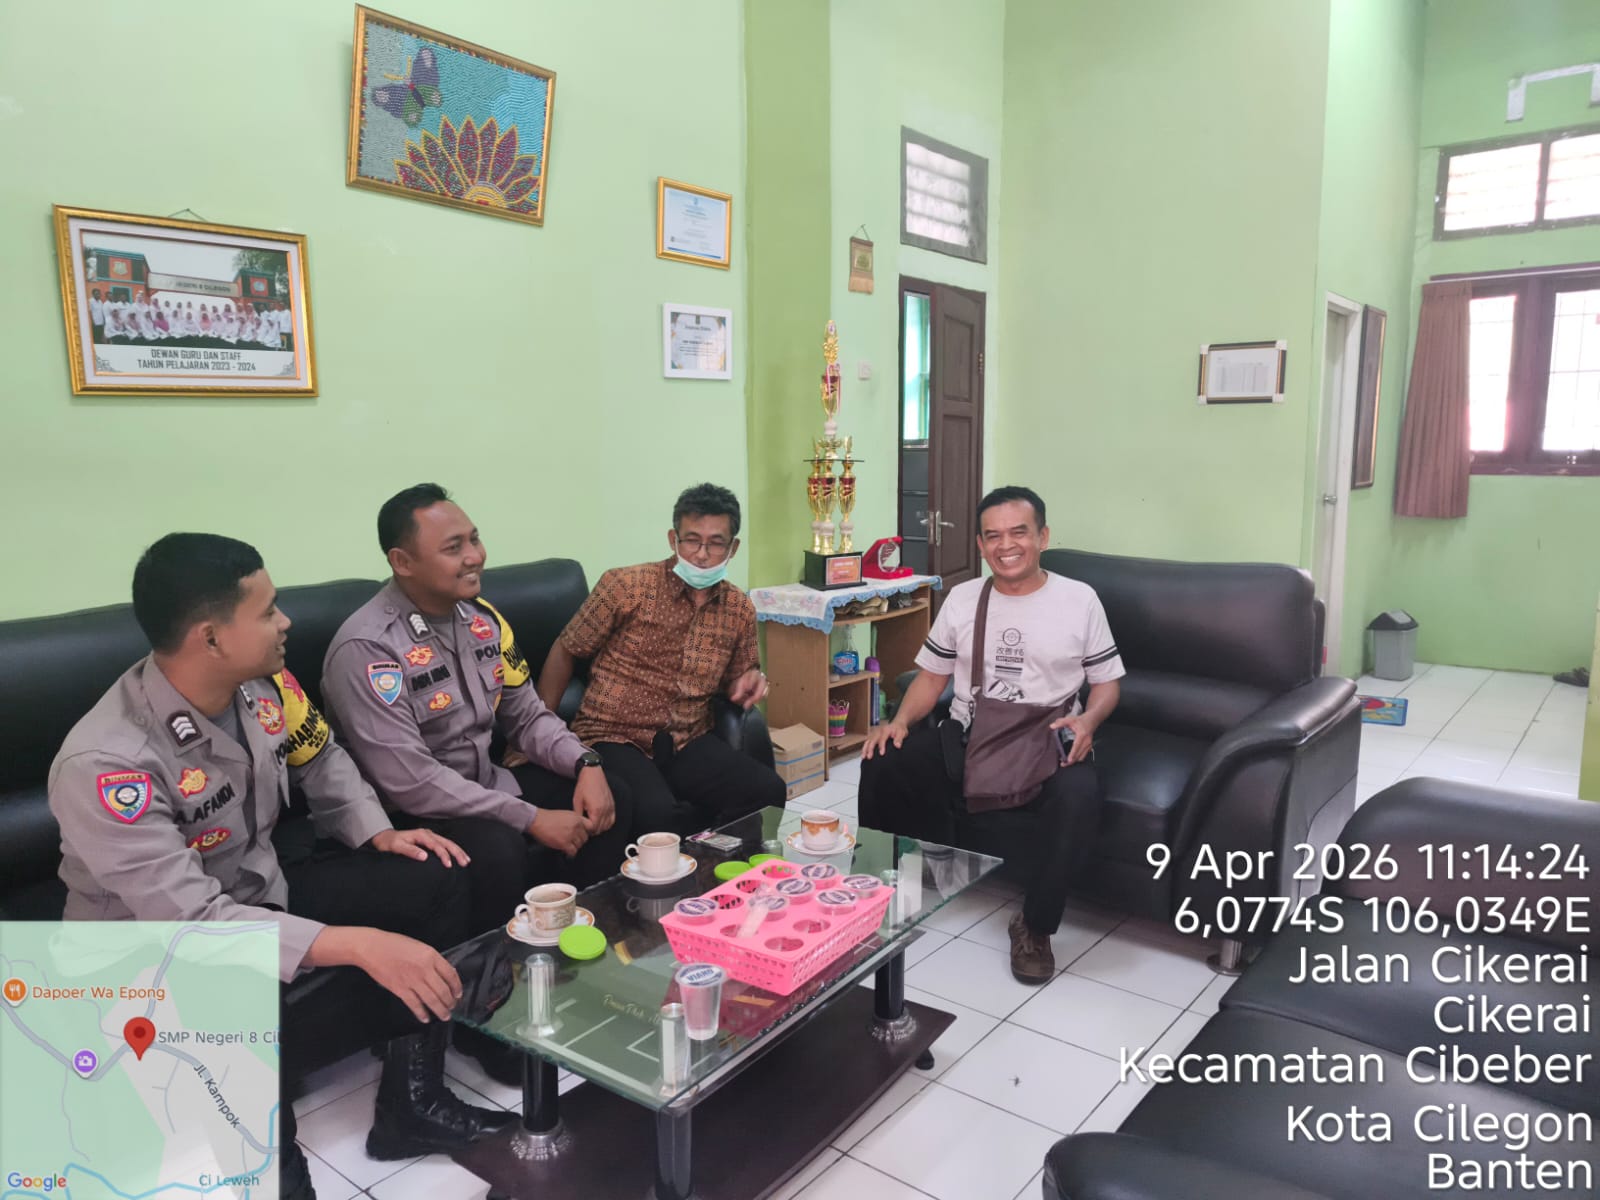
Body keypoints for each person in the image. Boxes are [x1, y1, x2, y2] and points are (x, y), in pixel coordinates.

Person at [47, 534, 513, 1200]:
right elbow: (192, 922)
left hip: (257, 892)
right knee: (233, 994)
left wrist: (377, 831)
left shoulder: (262, 686)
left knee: (433, 875)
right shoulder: (106, 764)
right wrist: (359, 944)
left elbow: (321, 760)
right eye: (267, 611)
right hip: (151, 951)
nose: (285, 621)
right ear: (211, 638)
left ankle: (412, 1106)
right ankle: (276, 1176)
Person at [321, 484, 634, 1081]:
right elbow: (411, 781)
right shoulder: (367, 648)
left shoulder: (483, 620)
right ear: (402, 561)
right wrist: (530, 818)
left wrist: (586, 764)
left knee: (611, 798)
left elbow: (527, 714)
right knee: (496, 849)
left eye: (475, 539)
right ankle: (488, 1019)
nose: (475, 556)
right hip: (409, 819)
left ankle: (574, 972)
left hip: (484, 786)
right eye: (453, 547)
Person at [858, 486, 1124, 985]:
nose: (1006, 546)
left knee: (1080, 795)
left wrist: (1088, 721)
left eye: (1019, 533)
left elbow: (1108, 684)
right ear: (980, 545)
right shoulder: (964, 598)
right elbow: (932, 677)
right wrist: (899, 721)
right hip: (972, 735)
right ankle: (878, 891)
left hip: (1050, 738)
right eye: (993, 536)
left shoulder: (1079, 600)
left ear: (1042, 537)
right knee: (884, 759)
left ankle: (1034, 927)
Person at [537, 482, 785, 836]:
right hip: (614, 734)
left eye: (716, 543)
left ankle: (725, 867)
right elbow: (567, 648)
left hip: (686, 739)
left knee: (767, 790)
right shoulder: (626, 586)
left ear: (733, 547)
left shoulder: (739, 609)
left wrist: (752, 681)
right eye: (691, 540)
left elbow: (740, 677)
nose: (702, 555)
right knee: (659, 817)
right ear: (673, 539)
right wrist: (542, 730)